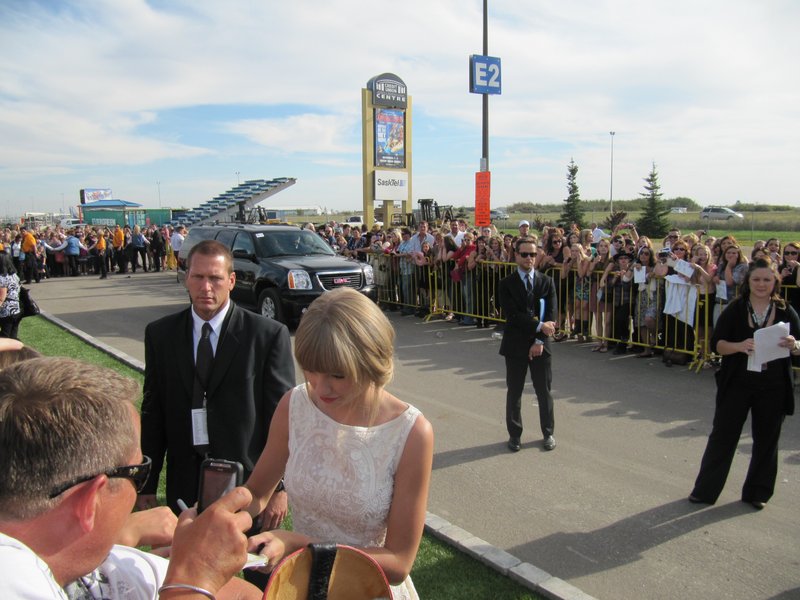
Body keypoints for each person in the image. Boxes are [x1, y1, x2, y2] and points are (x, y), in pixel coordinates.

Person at [0, 357, 260, 600]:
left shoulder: (90, 560)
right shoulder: (11, 578)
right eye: (138, 472)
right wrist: (192, 581)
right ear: (90, 501)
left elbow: (242, 595)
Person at [244, 288, 434, 600]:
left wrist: (299, 545)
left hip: (366, 588)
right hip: (303, 586)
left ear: (370, 362)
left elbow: (399, 562)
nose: (320, 388)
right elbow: (256, 492)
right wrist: (222, 518)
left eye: (337, 375)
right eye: (310, 370)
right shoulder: (295, 404)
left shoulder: (411, 433)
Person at [138, 240, 295, 527]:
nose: (206, 287)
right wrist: (146, 484)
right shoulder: (161, 335)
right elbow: (153, 413)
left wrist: (278, 487)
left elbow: (283, 420)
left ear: (231, 281)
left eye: (215, 278)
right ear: (186, 278)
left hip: (249, 487)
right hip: (184, 486)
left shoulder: (266, 336)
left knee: (250, 557)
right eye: (198, 277)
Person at [689, 259, 800, 510]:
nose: (761, 284)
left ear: (775, 282)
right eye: (756, 279)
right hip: (737, 382)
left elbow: (799, 344)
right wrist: (739, 346)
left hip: (773, 385)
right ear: (748, 282)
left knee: (767, 439)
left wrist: (794, 344)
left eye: (767, 280)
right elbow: (717, 345)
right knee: (723, 436)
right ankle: (705, 491)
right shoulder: (736, 309)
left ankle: (757, 492)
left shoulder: (785, 310)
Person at [498, 237, 557, 452]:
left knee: (544, 391)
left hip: (541, 345)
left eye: (533, 254)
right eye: (524, 254)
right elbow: (513, 315)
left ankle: (548, 433)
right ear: (516, 255)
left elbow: (551, 315)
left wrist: (539, 340)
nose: (529, 258)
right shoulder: (506, 284)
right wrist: (540, 326)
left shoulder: (546, 282)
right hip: (515, 345)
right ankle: (515, 435)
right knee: (515, 392)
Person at [0, 255, 22, 339]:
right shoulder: (15, 276)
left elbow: (1, 298)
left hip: (6, 311)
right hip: (16, 309)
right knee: (13, 336)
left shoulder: (2, 278)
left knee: (5, 337)